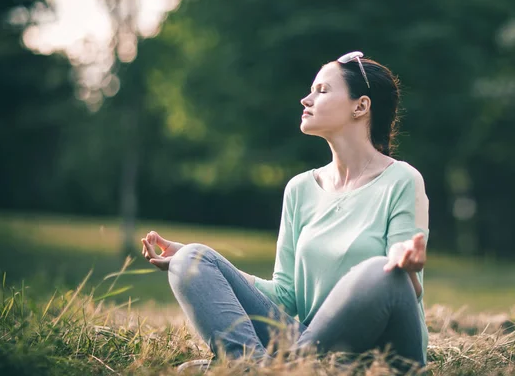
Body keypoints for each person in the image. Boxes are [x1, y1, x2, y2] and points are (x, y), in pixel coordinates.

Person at [141, 51, 429, 373]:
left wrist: (405, 268)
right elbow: (284, 296)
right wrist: (213, 264)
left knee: (380, 271)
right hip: (310, 347)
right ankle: (251, 366)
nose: (306, 100)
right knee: (191, 260)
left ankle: (274, 369)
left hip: (378, 358)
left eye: (322, 90)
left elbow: (405, 292)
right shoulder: (300, 189)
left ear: (360, 106)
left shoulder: (401, 179)